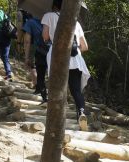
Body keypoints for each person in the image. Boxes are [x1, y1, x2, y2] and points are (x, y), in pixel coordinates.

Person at [41, 0, 90, 130]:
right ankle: (81, 112)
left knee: (57, 88)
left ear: (54, 5)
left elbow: (45, 36)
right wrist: (74, 47)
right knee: (76, 90)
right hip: (75, 58)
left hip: (57, 56)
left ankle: (56, 119)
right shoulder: (76, 22)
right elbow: (85, 46)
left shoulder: (48, 16)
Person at [20, 10, 48, 103]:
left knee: (38, 71)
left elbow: (27, 41)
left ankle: (42, 94)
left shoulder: (30, 22)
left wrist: (26, 57)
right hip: (53, 50)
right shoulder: (52, 20)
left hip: (39, 50)